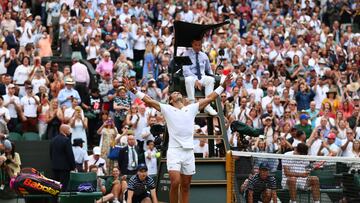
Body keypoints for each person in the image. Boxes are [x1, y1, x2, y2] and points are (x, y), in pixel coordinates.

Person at [123, 74, 232, 203]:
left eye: (177, 92)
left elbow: (210, 98)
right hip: (174, 151)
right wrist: (133, 90)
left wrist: (222, 87)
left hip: (188, 152)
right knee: (175, 182)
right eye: (173, 93)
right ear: (170, 100)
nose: (176, 92)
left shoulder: (191, 108)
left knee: (185, 186)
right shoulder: (167, 109)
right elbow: (149, 100)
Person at [182, 36, 217, 116]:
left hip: (202, 77)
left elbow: (208, 70)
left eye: (199, 45)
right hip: (191, 76)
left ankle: (207, 105)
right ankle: (192, 105)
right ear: (192, 45)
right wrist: (195, 80)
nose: (197, 47)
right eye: (195, 45)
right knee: (188, 80)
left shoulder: (204, 55)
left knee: (210, 80)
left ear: (201, 45)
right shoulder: (186, 54)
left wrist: (213, 75)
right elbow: (186, 70)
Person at [49, 124, 76, 191]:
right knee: (64, 187)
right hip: (65, 169)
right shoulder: (66, 140)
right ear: (64, 130)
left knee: (55, 187)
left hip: (55, 167)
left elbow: (51, 154)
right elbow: (70, 155)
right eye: (69, 129)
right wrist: (73, 167)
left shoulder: (53, 140)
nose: (70, 131)